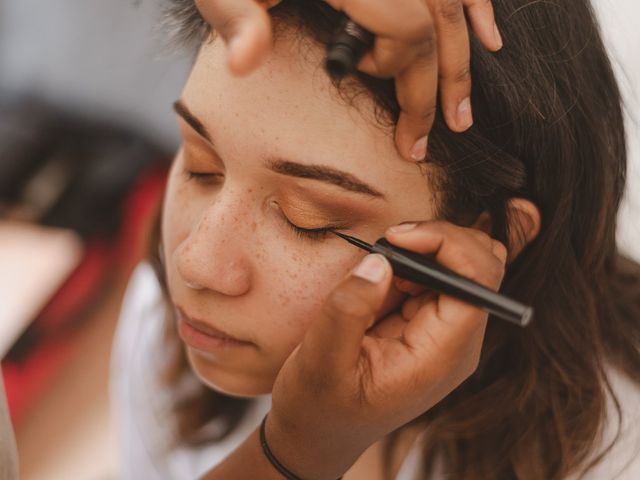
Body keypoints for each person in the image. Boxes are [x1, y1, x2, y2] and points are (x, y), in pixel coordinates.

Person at [110, 0, 640, 478]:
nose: (195, 262)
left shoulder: (615, 461)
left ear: (487, 245)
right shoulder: (162, 320)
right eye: (202, 167)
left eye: (307, 219)